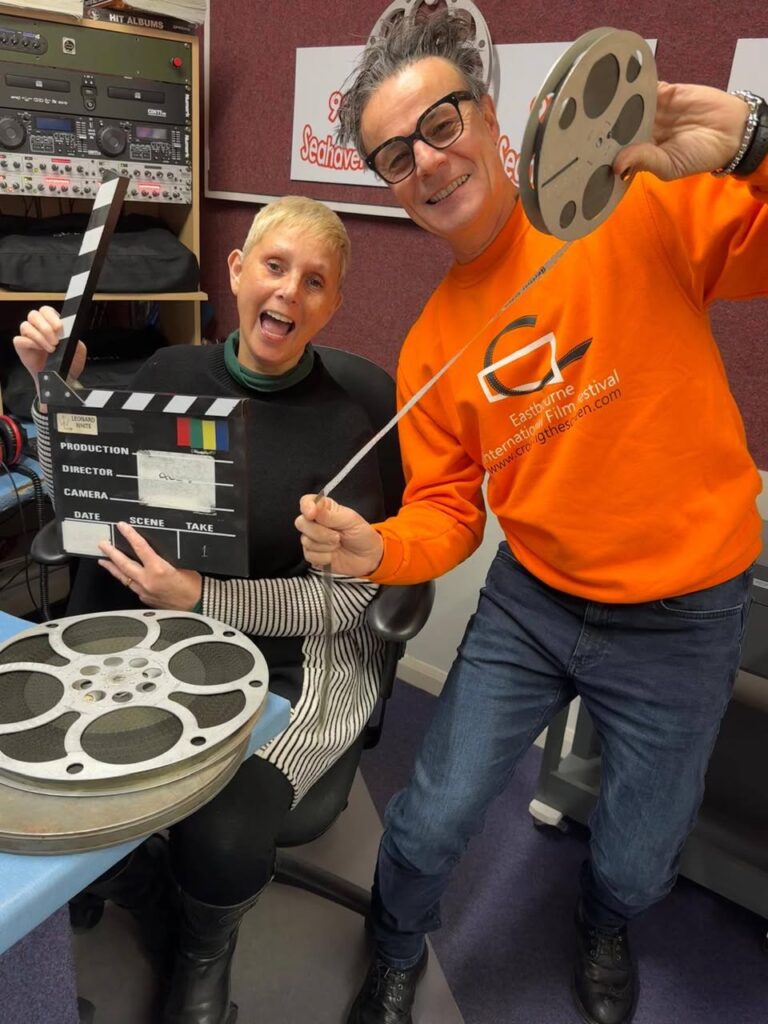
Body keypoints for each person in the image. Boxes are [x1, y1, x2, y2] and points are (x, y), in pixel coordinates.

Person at [295, 13, 768, 1024]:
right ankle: (394, 949)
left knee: (639, 856)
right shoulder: (433, 344)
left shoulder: (640, 205)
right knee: (428, 820)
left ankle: (606, 919)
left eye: (439, 123)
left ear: (487, 115)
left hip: (686, 615)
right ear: (389, 184)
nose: (427, 161)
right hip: (535, 605)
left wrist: (756, 141)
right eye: (395, 156)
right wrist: (380, 548)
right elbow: (445, 514)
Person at [14, 195, 392, 1024]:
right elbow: (79, 500)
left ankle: (202, 949)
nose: (289, 292)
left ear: (333, 304)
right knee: (54, 794)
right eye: (275, 266)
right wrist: (50, 392)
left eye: (315, 281)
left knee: (221, 833)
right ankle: (146, 889)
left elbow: (350, 599)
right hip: (155, 634)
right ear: (236, 270)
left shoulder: (347, 427)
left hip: (288, 659)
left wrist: (202, 596)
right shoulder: (168, 375)